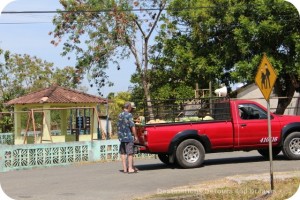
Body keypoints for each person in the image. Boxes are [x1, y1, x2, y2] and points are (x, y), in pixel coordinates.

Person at [117, 102, 139, 174]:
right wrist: (135, 136)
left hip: (121, 136)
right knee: (130, 153)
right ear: (129, 107)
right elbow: (132, 126)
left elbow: (118, 126)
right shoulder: (129, 115)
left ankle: (124, 169)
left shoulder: (119, 115)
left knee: (123, 152)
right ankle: (130, 168)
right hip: (128, 136)